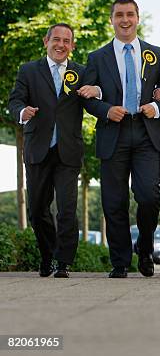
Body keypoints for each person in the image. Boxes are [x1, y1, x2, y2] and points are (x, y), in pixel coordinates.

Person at [79, 0, 160, 278]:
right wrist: (107, 110)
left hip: (146, 133)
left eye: (130, 14)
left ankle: (144, 248)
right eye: (119, 15)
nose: (125, 20)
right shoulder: (97, 57)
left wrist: (157, 106)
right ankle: (120, 261)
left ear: (137, 18)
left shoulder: (154, 53)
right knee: (113, 201)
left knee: (149, 197)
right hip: (113, 133)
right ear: (112, 19)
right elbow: (87, 95)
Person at [8, 23, 88, 278]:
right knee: (37, 208)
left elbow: (96, 100)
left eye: (66, 41)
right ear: (46, 41)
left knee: (67, 208)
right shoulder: (29, 71)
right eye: (56, 39)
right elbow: (15, 100)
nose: (61, 45)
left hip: (68, 151)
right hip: (38, 148)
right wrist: (22, 112)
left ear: (72, 46)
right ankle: (48, 255)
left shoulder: (82, 73)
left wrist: (96, 91)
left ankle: (62, 262)